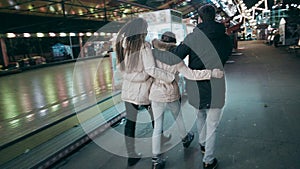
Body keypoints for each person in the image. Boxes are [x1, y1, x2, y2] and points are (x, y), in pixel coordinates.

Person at [153, 4, 232, 169]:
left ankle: (202, 144)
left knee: (200, 116)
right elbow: (224, 57)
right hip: (217, 85)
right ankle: (208, 160)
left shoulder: (192, 38)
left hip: (196, 86)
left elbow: (175, 57)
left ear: (200, 19)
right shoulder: (226, 39)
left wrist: (159, 49)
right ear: (215, 17)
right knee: (212, 125)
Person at [115, 18, 174, 167]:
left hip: (128, 91)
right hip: (144, 91)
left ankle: (131, 155)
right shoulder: (144, 46)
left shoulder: (122, 46)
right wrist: (168, 77)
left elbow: (120, 69)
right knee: (156, 118)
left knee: (130, 122)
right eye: (145, 28)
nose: (147, 31)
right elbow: (150, 70)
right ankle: (159, 143)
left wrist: (132, 77)